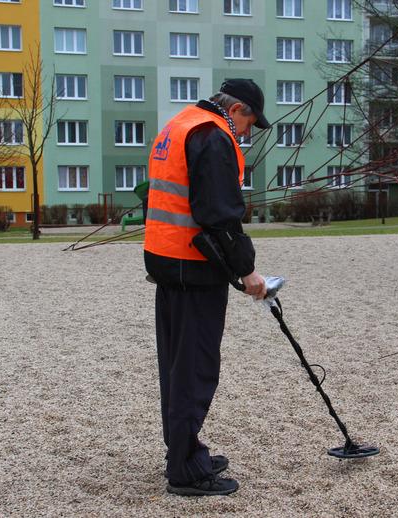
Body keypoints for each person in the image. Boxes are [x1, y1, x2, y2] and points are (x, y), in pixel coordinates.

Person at [143, 79, 270, 497]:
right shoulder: (213, 137)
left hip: (166, 263)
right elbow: (219, 216)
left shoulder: (179, 124)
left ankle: (184, 449)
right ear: (236, 111)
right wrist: (248, 272)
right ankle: (185, 469)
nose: (247, 134)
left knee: (177, 367)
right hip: (194, 270)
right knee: (195, 371)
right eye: (249, 123)